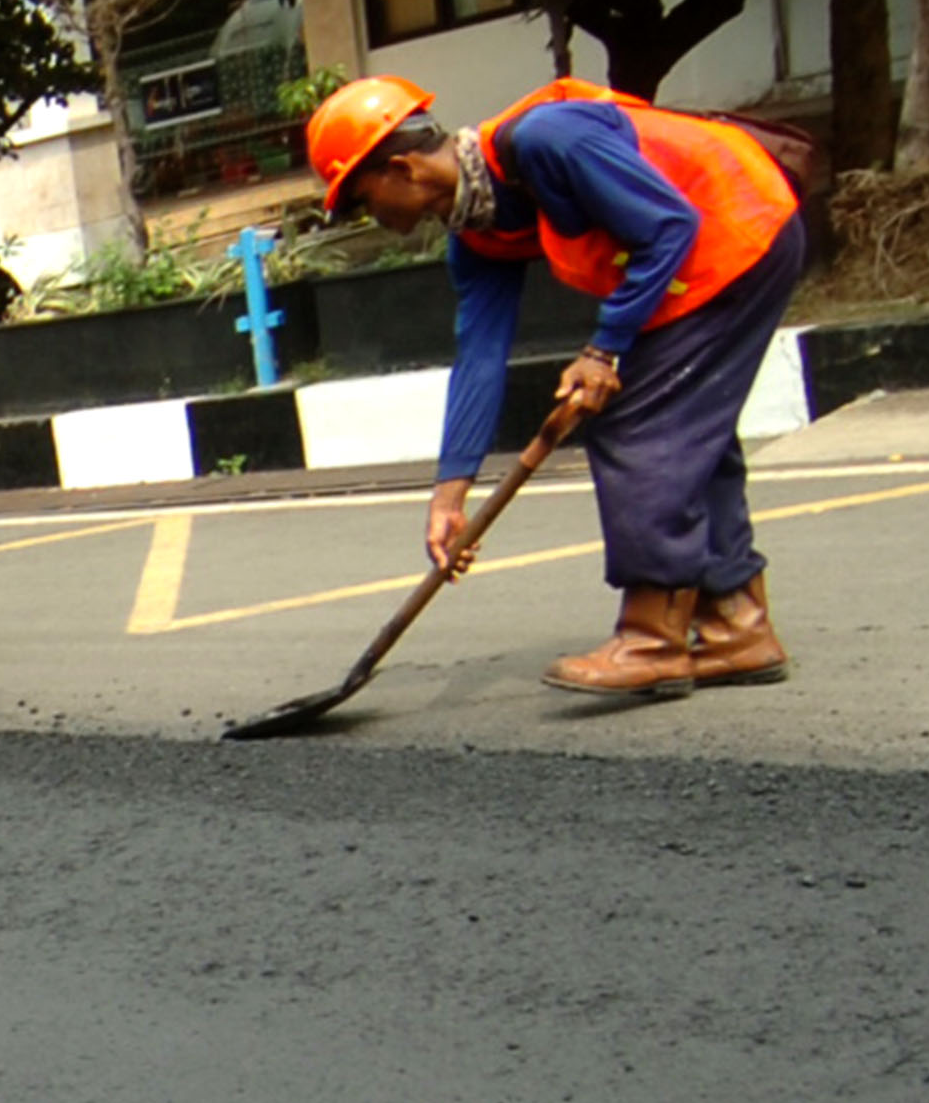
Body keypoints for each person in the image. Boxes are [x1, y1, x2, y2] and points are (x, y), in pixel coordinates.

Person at [306, 72, 807, 695]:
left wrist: (604, 350)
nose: (368, 217)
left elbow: (669, 225)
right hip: (698, 263)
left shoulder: (547, 140)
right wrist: (449, 495)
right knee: (689, 434)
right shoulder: (478, 233)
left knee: (640, 425)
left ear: (402, 170)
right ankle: (738, 628)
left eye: (359, 199)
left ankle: (653, 639)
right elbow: (480, 358)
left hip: (738, 229)